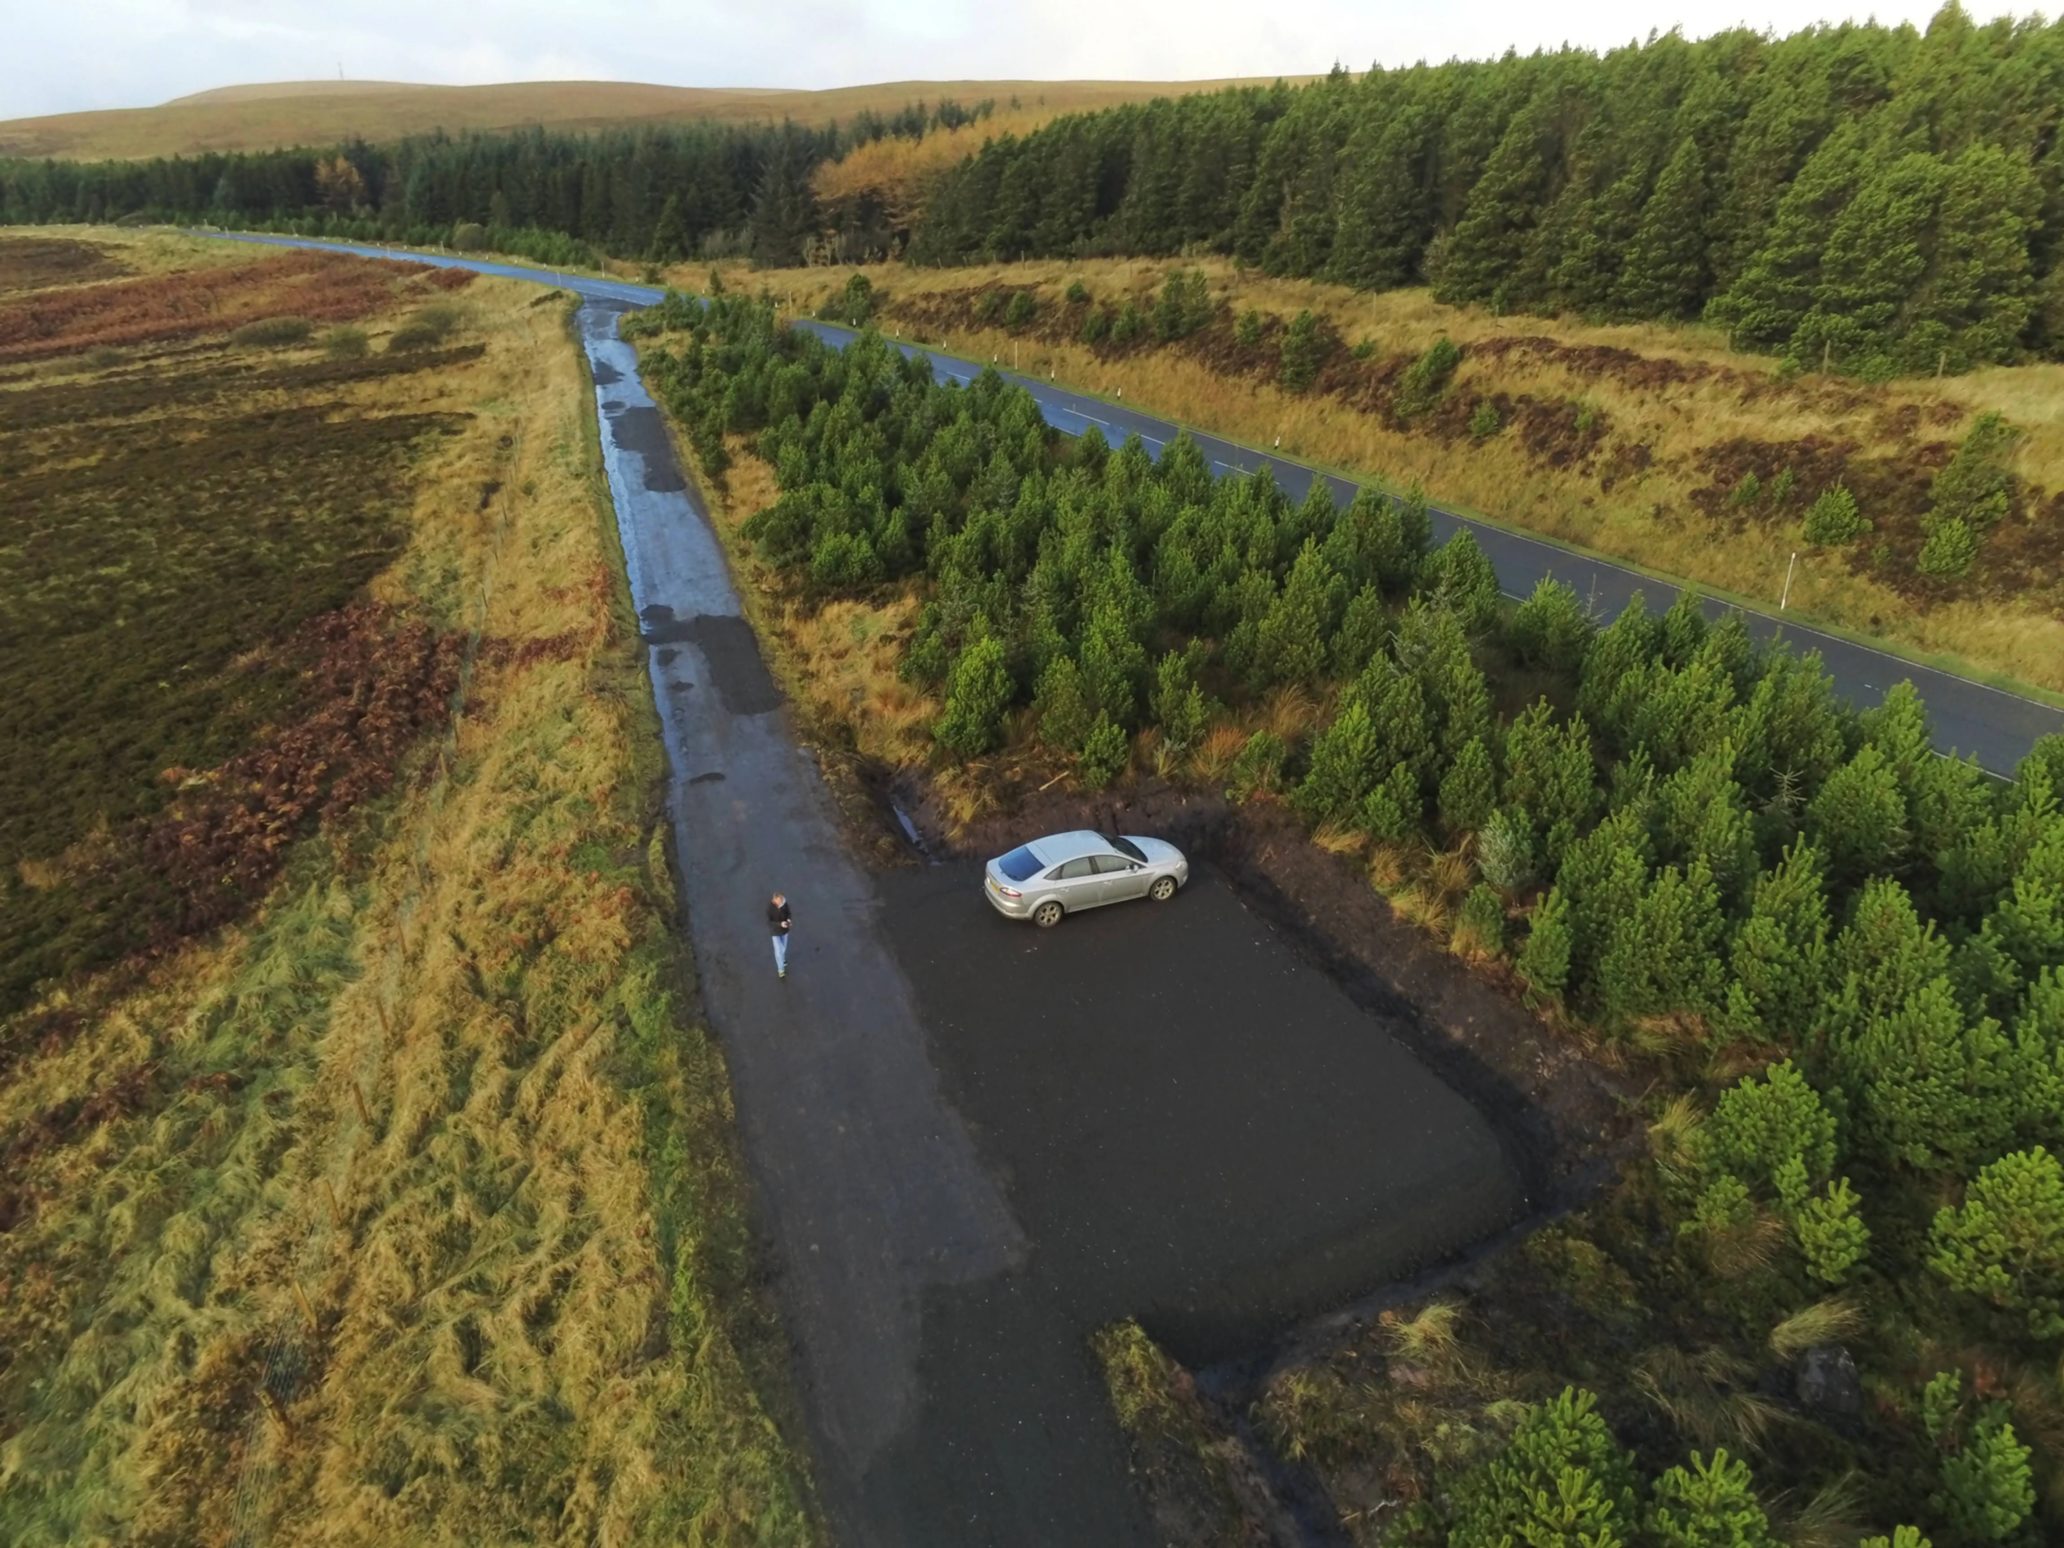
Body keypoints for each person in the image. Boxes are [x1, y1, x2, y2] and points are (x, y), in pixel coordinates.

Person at [768, 892, 792, 979]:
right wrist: (780, 924)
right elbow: (769, 922)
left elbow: (789, 913)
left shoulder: (784, 904)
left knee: (783, 948)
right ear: (774, 900)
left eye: (780, 901)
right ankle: (781, 969)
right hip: (775, 932)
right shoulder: (770, 908)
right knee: (778, 951)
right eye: (777, 902)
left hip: (784, 931)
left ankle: (782, 959)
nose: (779, 904)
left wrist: (789, 920)